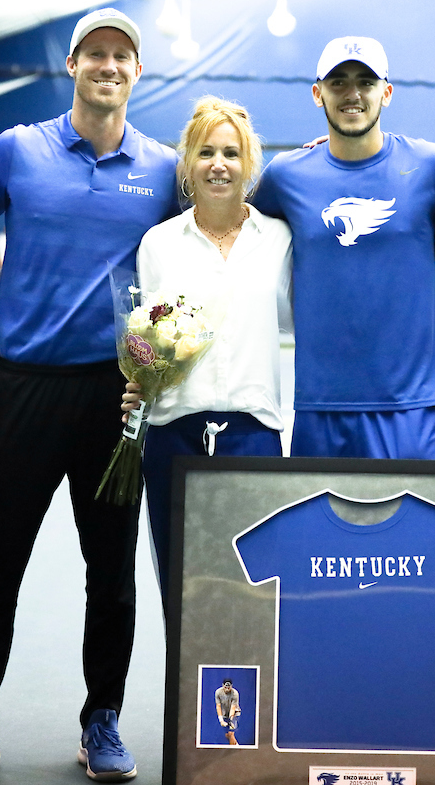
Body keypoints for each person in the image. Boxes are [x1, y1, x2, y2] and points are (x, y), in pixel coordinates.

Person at [0, 8, 179, 784]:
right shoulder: (15, 151)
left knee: (110, 573)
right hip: (22, 391)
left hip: (118, 400)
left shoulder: (166, 168)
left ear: (136, 73)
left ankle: (100, 720)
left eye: (123, 56)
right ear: (70, 65)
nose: (109, 65)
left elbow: (205, 245)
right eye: (95, 54)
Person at [251, 36, 435, 460]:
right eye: (338, 83)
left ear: (386, 92)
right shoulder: (286, 176)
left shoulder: (431, 165)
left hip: (414, 410)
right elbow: (237, 246)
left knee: (416, 529)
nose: (353, 94)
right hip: (320, 409)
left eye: (366, 82)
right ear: (318, 94)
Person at [121, 95, 291, 603]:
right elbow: (148, 342)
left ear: (249, 166)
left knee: (253, 591)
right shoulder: (158, 244)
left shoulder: (281, 239)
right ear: (187, 166)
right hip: (174, 437)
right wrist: (138, 383)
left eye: (232, 153)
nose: (219, 164)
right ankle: (186, 686)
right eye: (206, 153)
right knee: (184, 590)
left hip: (253, 436)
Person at [215, 679, 241, 745]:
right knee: (227, 734)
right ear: (223, 685)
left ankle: (235, 749)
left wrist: (231, 720)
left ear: (231, 686)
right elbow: (218, 706)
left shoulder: (235, 693)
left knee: (231, 733)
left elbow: (233, 707)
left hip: (235, 713)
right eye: (225, 687)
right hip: (224, 714)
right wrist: (221, 720)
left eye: (228, 687)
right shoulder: (218, 692)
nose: (227, 689)